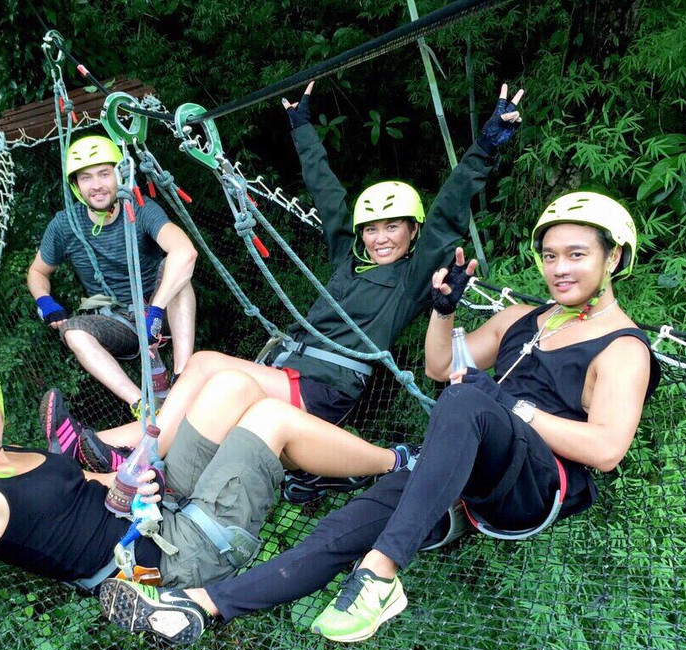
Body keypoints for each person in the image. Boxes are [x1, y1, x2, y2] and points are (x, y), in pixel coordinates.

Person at [100, 192, 662, 645]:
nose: (558, 269)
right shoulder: (524, 318)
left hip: (540, 485)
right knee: (340, 528)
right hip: (471, 463)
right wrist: (444, 313)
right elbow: (441, 366)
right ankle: (199, 606)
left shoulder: (623, 349)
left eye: (577, 255)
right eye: (551, 255)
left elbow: (607, 449)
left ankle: (381, 576)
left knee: (468, 402)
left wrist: (507, 404)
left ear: (614, 258)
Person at [77, 81, 525, 505]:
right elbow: (327, 193)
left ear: (413, 232)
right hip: (290, 372)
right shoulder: (346, 261)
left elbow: (448, 211)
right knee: (205, 391)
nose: (380, 238)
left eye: (393, 227)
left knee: (203, 365)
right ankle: (107, 459)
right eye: (371, 229)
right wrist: (301, 127)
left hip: (323, 387)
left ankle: (128, 449)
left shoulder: (412, 279)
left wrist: (486, 146)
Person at [0, 350, 414, 593]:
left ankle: (321, 469)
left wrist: (124, 483)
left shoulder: (4, 451)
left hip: (154, 506)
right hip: (172, 555)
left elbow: (76, 500)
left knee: (231, 385)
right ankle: (398, 465)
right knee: (269, 419)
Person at [26, 134, 198, 412]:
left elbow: (185, 252)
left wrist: (155, 308)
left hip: (161, 311)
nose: (96, 186)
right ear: (76, 185)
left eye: (104, 174)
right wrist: (44, 301)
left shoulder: (140, 209)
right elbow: (37, 271)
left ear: (119, 175)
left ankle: (184, 375)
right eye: (86, 178)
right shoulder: (65, 225)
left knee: (176, 270)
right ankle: (141, 405)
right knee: (73, 332)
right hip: (119, 321)